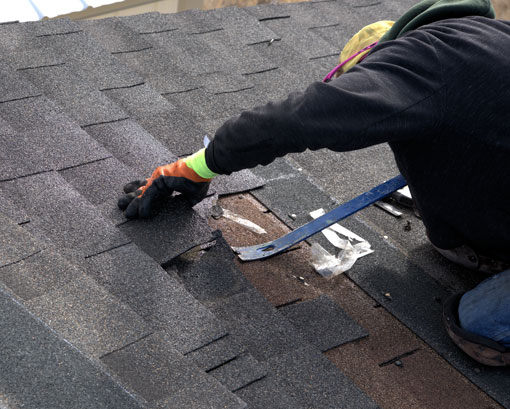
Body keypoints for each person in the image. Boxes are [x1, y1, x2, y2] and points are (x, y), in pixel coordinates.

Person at [118, 0, 509, 366]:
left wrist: (198, 166)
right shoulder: (488, 40)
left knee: (479, 324)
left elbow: (298, 119)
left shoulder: (421, 62)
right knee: (449, 239)